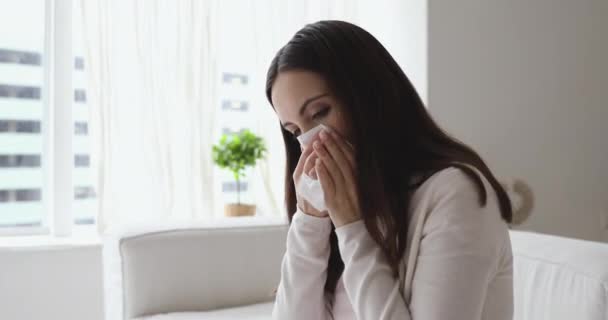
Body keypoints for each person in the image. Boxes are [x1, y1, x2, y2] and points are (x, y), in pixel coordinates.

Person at [267, 20, 513, 320]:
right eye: (294, 131)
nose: (309, 145)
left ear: (368, 96)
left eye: (319, 113)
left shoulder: (454, 194)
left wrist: (353, 228)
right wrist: (309, 222)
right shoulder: (353, 205)